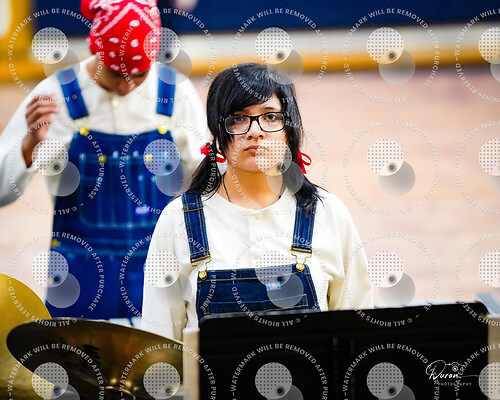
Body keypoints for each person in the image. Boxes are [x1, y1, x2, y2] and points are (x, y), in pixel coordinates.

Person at [0, 0, 206, 320]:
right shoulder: (55, 95)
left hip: (158, 269)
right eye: (115, 74)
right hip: (78, 276)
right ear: (95, 50)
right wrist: (29, 145)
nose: (126, 86)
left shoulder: (176, 93)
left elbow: (207, 185)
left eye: (138, 75)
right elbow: (2, 193)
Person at [141, 63, 373, 341]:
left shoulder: (328, 213)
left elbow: (357, 336)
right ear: (217, 135)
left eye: (271, 117)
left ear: (290, 129)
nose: (255, 132)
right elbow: (160, 344)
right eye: (239, 118)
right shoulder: (177, 220)